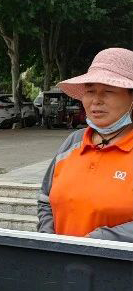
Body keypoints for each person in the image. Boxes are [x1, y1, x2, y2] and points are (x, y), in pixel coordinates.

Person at [38, 48, 133, 241]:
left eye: (108, 91)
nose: (96, 100)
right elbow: (45, 200)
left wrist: (100, 241)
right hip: (61, 266)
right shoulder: (73, 142)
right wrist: (48, 240)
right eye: (90, 91)